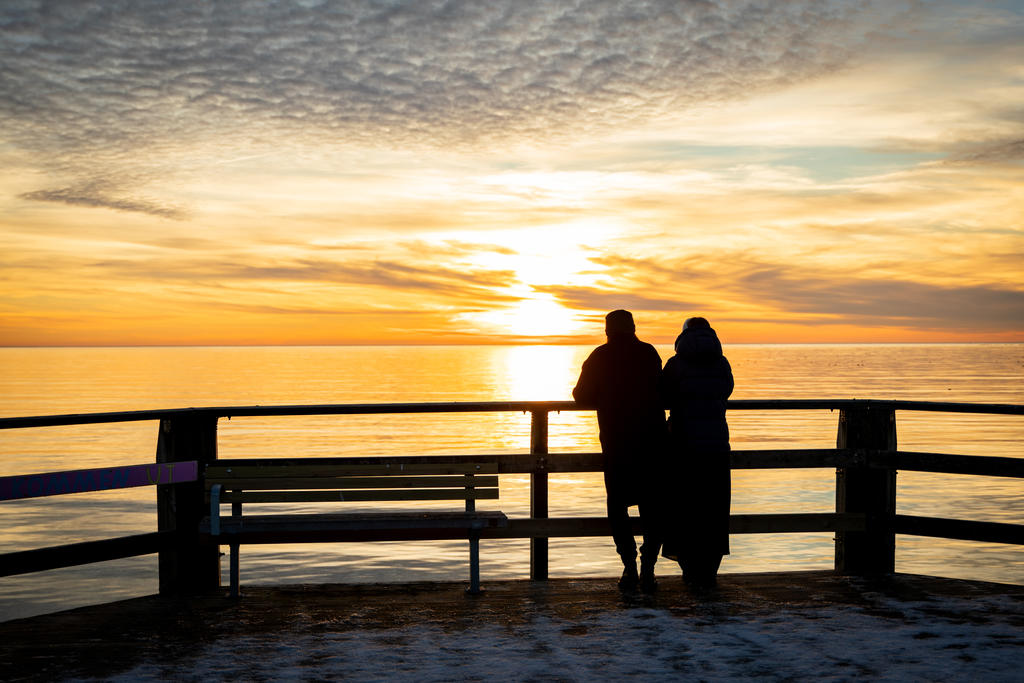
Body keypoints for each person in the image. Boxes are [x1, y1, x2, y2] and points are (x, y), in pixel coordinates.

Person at [573, 309, 666, 592]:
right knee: (653, 507)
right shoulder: (649, 353)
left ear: (607, 330)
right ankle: (648, 565)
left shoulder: (599, 356)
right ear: (633, 327)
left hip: (617, 442)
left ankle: (628, 565)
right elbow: (663, 391)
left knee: (618, 506)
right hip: (652, 441)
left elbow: (581, 395)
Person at [660, 316, 734, 588]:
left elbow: (664, 397)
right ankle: (709, 571)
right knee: (714, 509)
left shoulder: (675, 364)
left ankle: (689, 570)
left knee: (684, 507)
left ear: (683, 336)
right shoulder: (721, 362)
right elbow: (726, 390)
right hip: (716, 446)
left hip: (683, 447)